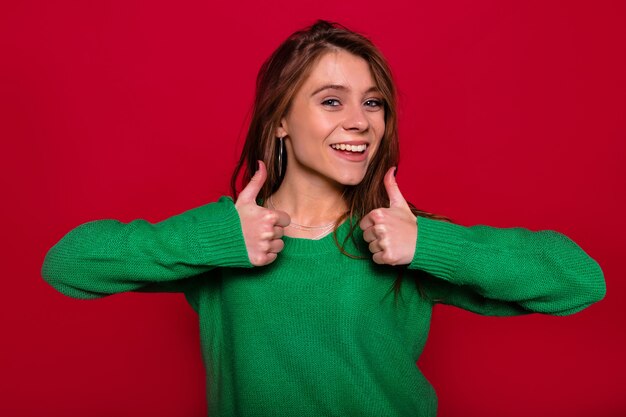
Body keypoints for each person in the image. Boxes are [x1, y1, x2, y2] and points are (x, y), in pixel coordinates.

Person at [42, 20, 606, 417]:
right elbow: (68, 264)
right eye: (332, 101)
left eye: (374, 101)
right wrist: (215, 238)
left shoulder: (396, 238)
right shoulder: (224, 241)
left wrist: (429, 243)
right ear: (281, 119)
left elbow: (580, 281)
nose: (361, 120)